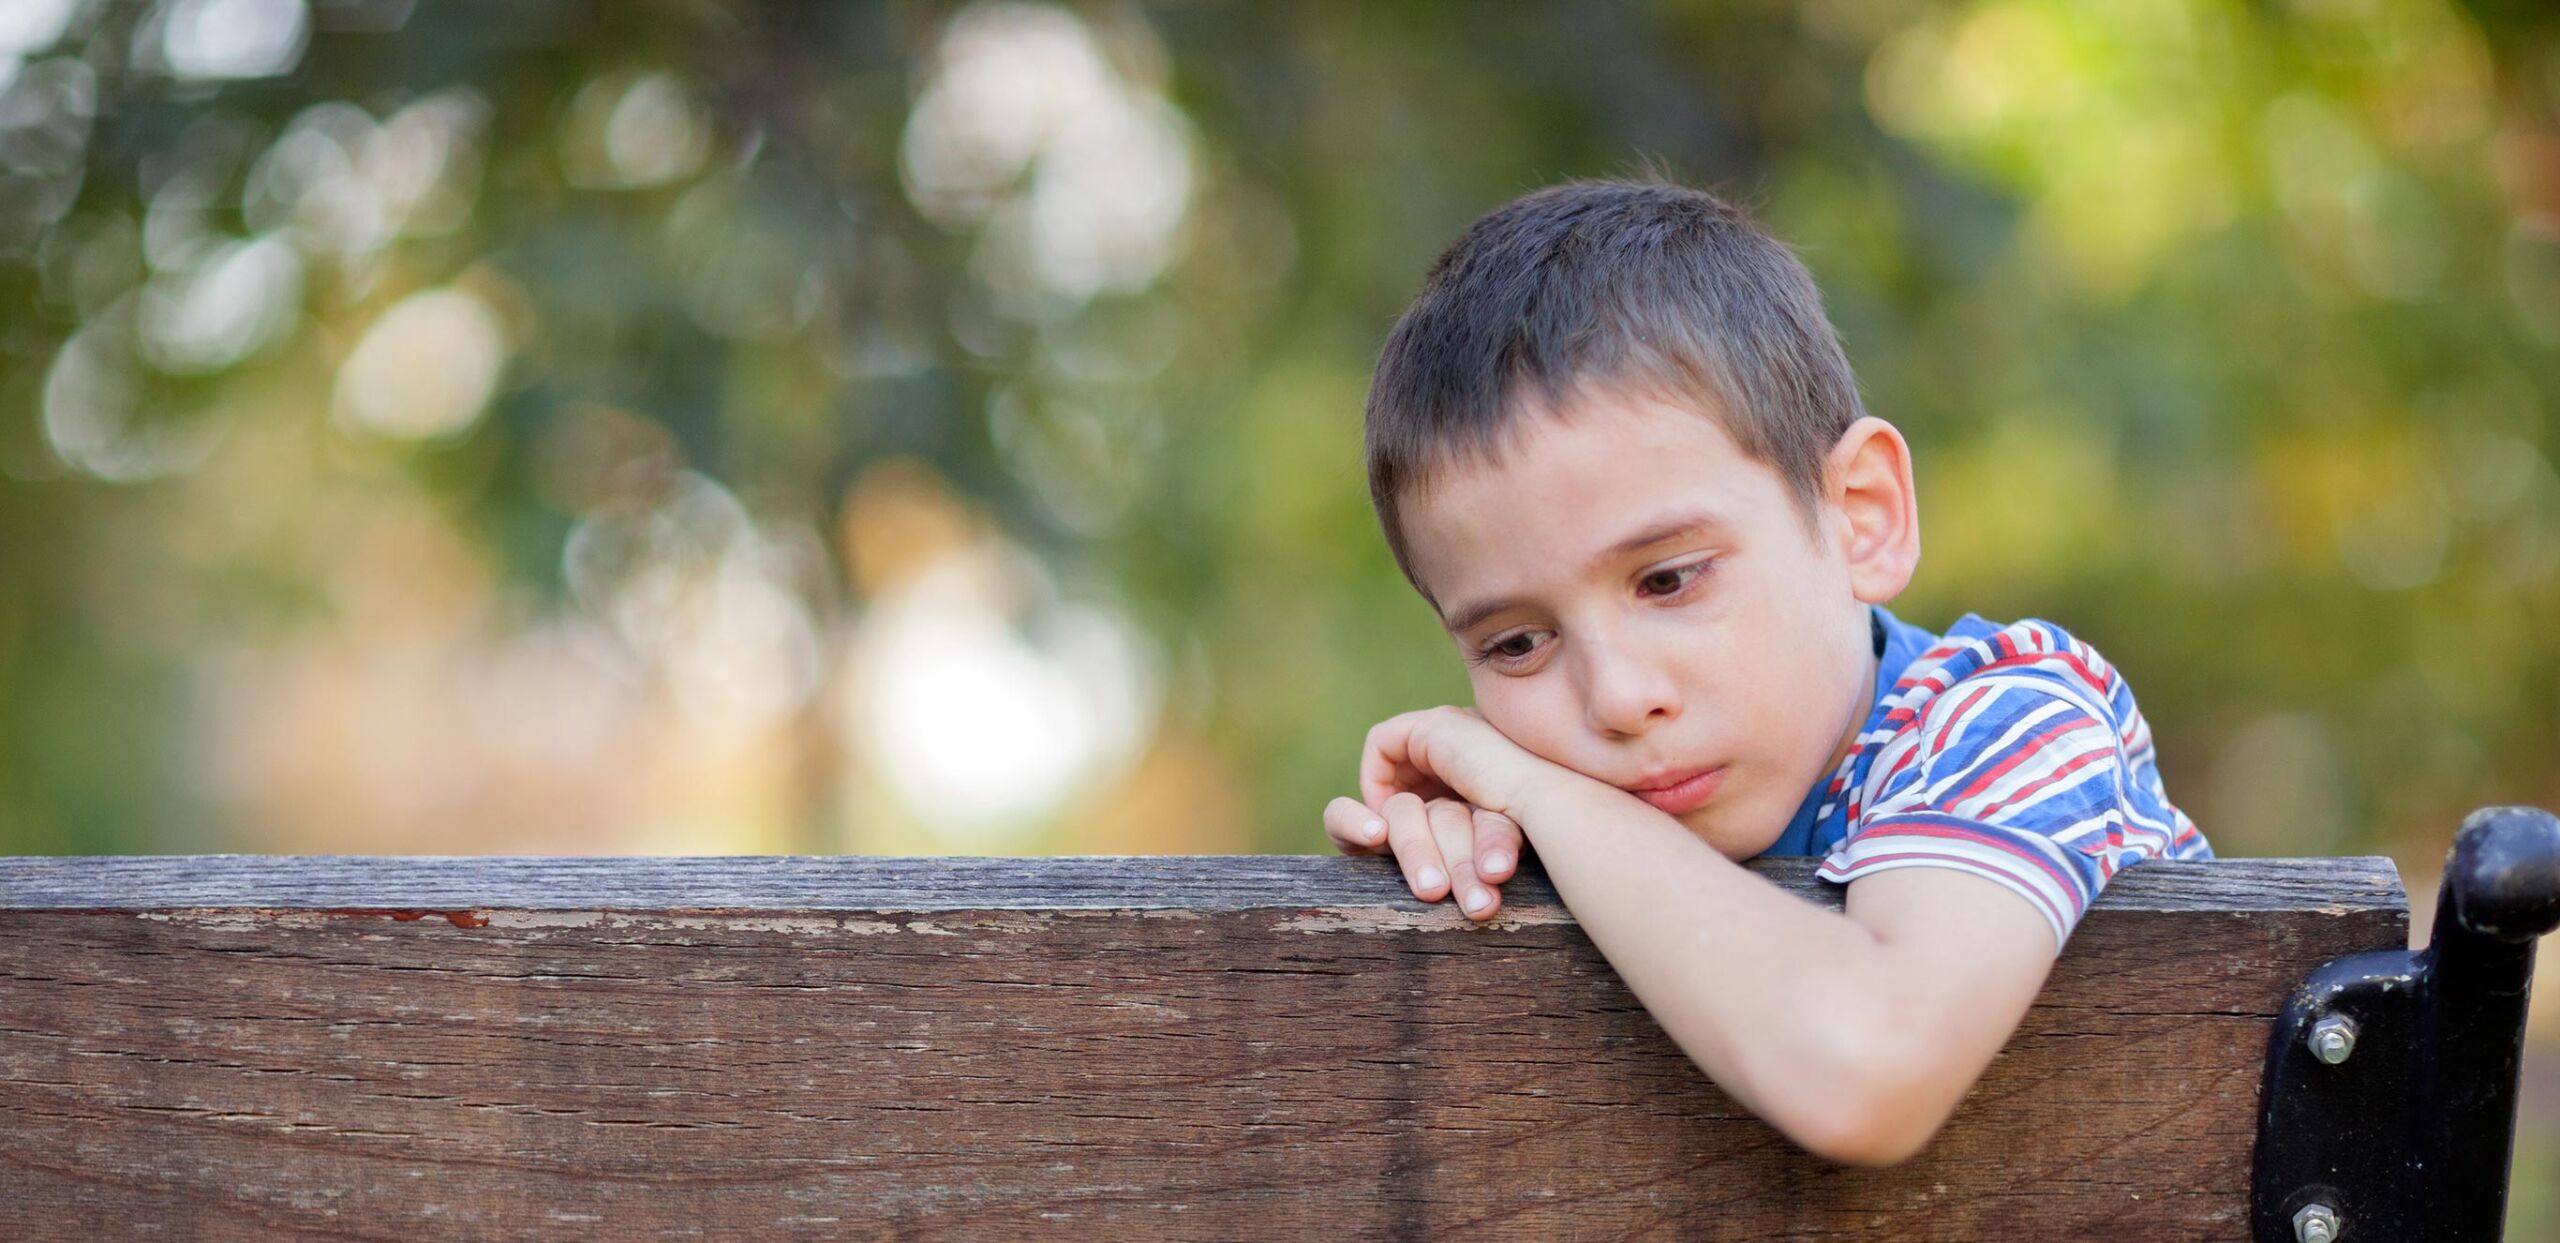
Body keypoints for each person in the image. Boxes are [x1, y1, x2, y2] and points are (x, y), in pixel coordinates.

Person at [1321, 178, 2214, 1168]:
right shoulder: (1568, 827)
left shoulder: (2010, 716)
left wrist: (1539, 792)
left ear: (1860, 516)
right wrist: (1480, 854)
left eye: (1666, 579)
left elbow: (1862, 1072)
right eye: (1517, 644)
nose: (1617, 699)